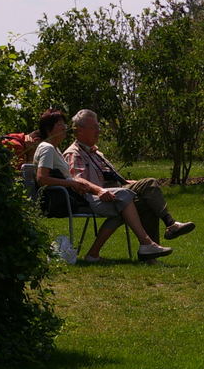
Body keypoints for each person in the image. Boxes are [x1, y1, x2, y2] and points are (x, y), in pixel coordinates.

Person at [32, 109, 171, 263]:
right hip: (74, 198)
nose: (65, 127)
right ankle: (148, 243)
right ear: (48, 128)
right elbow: (41, 178)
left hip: (77, 194)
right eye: (60, 124)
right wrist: (72, 183)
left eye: (64, 124)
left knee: (126, 206)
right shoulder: (47, 148)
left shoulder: (54, 149)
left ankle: (95, 254)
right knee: (123, 199)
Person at [63, 109, 195, 244]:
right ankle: (170, 224)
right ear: (79, 130)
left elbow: (110, 176)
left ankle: (151, 253)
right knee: (149, 183)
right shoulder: (74, 154)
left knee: (147, 200)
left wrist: (129, 182)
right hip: (100, 198)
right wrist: (99, 190)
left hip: (117, 192)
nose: (99, 131)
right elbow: (78, 180)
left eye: (99, 127)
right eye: (94, 127)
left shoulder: (95, 153)